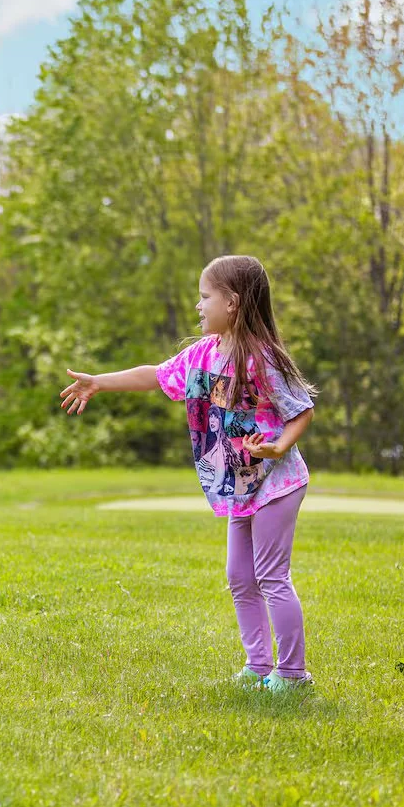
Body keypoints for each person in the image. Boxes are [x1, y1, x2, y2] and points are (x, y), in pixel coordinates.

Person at [60, 255, 317, 692]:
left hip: (275, 482)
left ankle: (292, 674)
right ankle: (258, 666)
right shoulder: (201, 355)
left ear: (232, 303)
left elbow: (302, 411)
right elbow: (153, 376)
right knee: (240, 577)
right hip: (240, 486)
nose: (199, 306)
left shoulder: (261, 358)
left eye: (205, 297)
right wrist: (99, 381)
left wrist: (280, 445)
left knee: (271, 576)